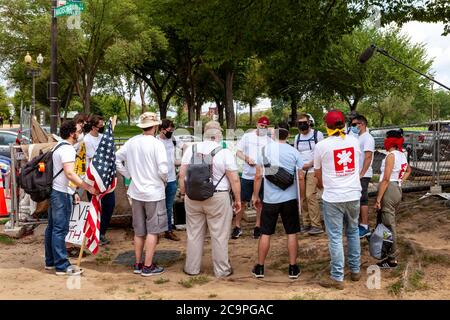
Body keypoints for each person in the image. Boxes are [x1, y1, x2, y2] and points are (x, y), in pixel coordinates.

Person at [179, 121, 241, 278]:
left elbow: (181, 175)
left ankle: (192, 268)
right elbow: (234, 179)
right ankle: (222, 270)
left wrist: (183, 193)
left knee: (193, 234)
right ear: (218, 135)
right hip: (218, 197)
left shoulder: (191, 150)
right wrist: (238, 199)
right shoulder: (224, 152)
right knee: (219, 234)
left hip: (192, 197)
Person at [115, 112, 169, 277]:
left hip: (136, 191)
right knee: (153, 230)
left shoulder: (132, 142)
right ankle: (148, 265)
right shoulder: (157, 144)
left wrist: (129, 174)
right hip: (154, 192)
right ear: (155, 126)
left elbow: (116, 158)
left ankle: (138, 263)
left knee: (139, 231)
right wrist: (163, 181)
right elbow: (163, 169)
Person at [314, 109, 362, 290]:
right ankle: (356, 271)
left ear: (327, 125)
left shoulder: (322, 146)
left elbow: (317, 174)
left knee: (335, 237)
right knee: (353, 231)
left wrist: (322, 186)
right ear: (344, 124)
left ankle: (337, 277)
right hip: (353, 195)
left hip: (333, 197)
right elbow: (356, 165)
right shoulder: (354, 141)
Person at [251, 122, 305, 279]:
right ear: (288, 134)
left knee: (265, 233)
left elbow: (258, 176)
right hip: (289, 198)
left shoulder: (264, 151)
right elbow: (300, 177)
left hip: (270, 199)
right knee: (292, 233)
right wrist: (301, 197)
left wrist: (255, 196)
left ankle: (260, 268)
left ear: (273, 134)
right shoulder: (294, 152)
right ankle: (293, 268)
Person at [45, 120, 98, 276]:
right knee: (60, 230)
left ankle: (50, 262)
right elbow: (69, 173)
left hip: (57, 191)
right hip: (60, 193)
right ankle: (62, 265)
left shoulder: (58, 146)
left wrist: (73, 191)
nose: (80, 132)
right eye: (78, 130)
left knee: (52, 228)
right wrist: (87, 187)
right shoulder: (67, 149)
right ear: (71, 133)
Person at [374, 129, 411, 269]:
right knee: (388, 223)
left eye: (386, 138)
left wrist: (378, 199)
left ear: (390, 140)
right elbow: (408, 171)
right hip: (397, 189)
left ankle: (392, 259)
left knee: (389, 225)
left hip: (389, 189)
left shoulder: (391, 156)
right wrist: (400, 181)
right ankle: (386, 253)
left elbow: (386, 179)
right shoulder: (401, 154)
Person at [232, 116, 272, 239]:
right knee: (242, 202)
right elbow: (238, 152)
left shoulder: (269, 140)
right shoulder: (247, 136)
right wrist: (247, 159)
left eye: (265, 126)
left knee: (260, 202)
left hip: (261, 176)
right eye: (261, 125)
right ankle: (237, 227)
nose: (263, 128)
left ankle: (258, 226)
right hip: (247, 175)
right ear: (257, 124)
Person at [84, 115, 115, 246]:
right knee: (96, 207)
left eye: (103, 125)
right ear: (93, 127)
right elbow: (94, 158)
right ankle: (94, 234)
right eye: (100, 126)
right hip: (93, 179)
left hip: (106, 178)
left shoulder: (103, 138)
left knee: (109, 204)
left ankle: (102, 232)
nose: (102, 127)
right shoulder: (87, 140)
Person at [294, 113, 324, 235]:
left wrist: (311, 164)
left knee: (310, 195)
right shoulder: (297, 137)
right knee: (302, 198)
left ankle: (316, 225)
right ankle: (306, 223)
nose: (302, 125)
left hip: (313, 169)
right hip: (300, 170)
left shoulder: (318, 135)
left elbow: (321, 152)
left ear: (309, 122)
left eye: (304, 122)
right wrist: (300, 167)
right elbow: (296, 153)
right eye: (299, 123)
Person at [157, 119, 186, 241]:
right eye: (169, 130)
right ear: (161, 130)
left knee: (168, 206)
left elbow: (186, 148)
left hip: (172, 179)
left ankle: (168, 230)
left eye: (172, 129)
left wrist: (182, 162)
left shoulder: (174, 140)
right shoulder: (155, 142)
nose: (171, 132)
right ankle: (155, 232)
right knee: (157, 206)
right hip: (158, 180)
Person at [350, 115, 375, 239]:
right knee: (358, 199)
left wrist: (361, 174)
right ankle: (359, 224)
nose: (353, 127)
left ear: (362, 124)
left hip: (363, 175)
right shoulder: (358, 137)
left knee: (363, 199)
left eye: (355, 124)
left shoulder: (368, 138)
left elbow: (368, 157)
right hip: (357, 174)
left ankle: (365, 226)